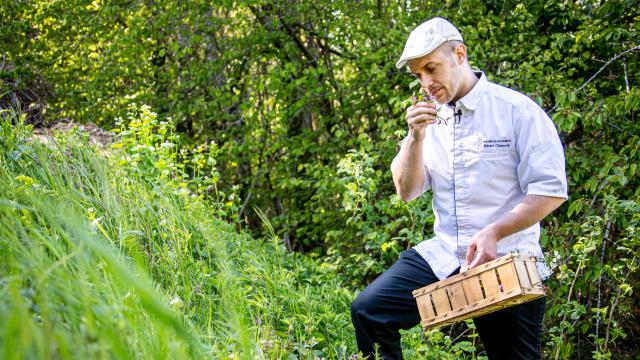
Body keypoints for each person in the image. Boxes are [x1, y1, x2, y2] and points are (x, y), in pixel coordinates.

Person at [351, 17, 568, 359]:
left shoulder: (516, 111)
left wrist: (494, 232)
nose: (426, 82)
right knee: (369, 311)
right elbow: (406, 191)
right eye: (418, 75)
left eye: (432, 68)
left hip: (507, 259)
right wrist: (415, 137)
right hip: (446, 254)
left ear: (460, 55)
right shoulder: (427, 120)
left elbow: (551, 191)